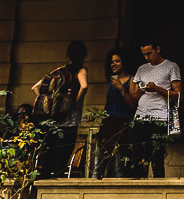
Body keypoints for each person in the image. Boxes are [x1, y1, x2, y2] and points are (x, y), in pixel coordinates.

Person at [32, 40, 89, 177]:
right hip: (70, 117)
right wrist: (76, 102)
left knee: (50, 149)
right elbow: (84, 86)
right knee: (64, 150)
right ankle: (56, 178)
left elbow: (34, 87)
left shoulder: (59, 70)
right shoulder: (81, 70)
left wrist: (47, 103)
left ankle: (45, 176)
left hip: (54, 117)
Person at [131, 42, 182, 179]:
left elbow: (178, 94)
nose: (147, 57)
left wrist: (157, 89)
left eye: (149, 53)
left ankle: (158, 193)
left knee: (156, 157)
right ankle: (138, 192)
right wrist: (141, 90)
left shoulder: (171, 66)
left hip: (159, 117)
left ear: (158, 49)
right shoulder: (142, 69)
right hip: (140, 117)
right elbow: (134, 96)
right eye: (144, 54)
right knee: (137, 158)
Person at [95, 48, 139, 178]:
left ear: (124, 62)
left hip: (122, 123)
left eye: (117, 61)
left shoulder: (131, 79)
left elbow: (132, 104)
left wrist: (120, 87)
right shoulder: (110, 82)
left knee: (118, 163)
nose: (113, 64)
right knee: (99, 160)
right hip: (108, 122)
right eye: (111, 62)